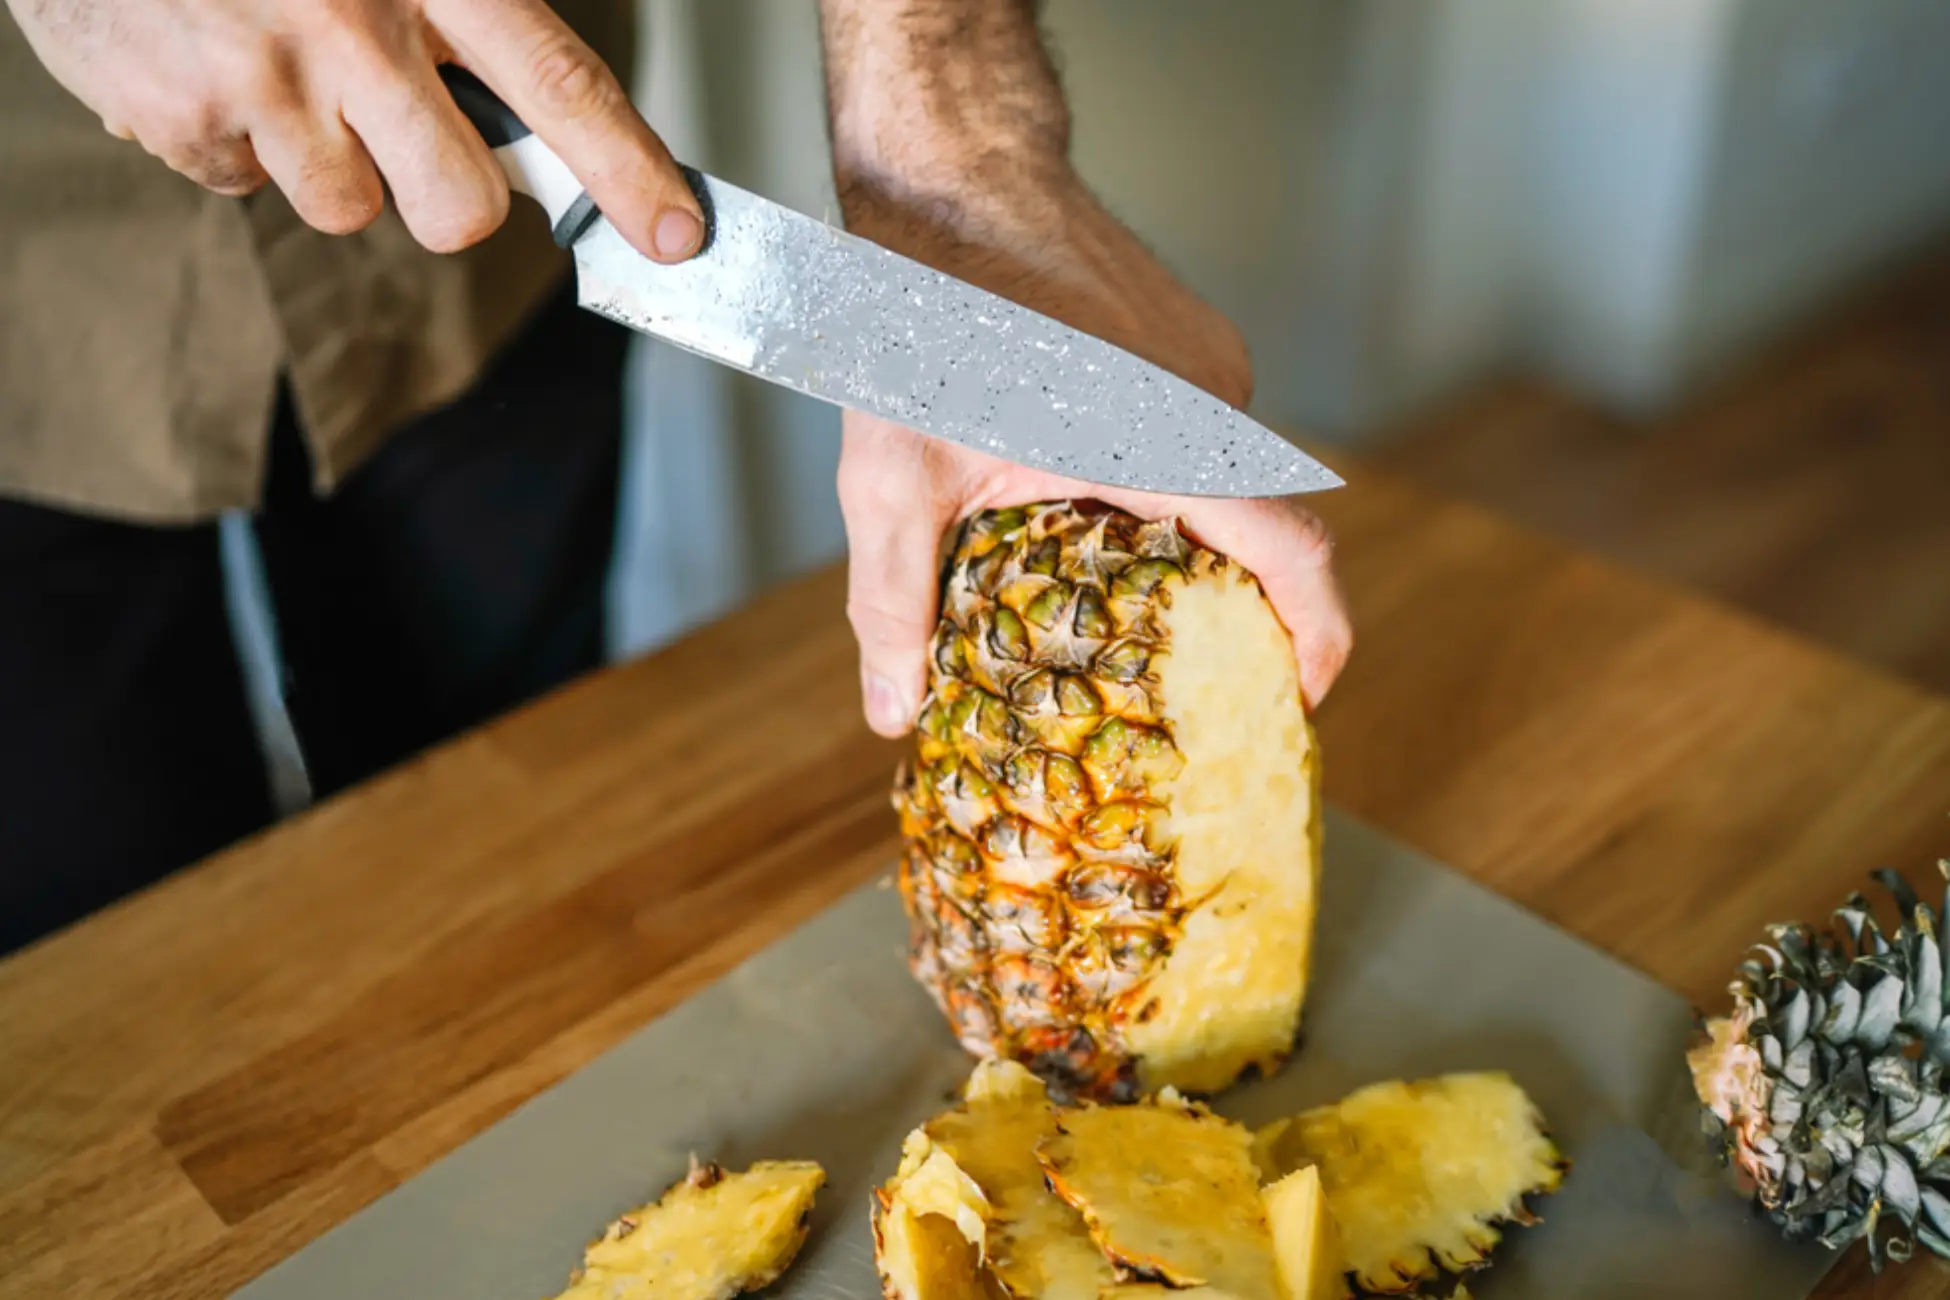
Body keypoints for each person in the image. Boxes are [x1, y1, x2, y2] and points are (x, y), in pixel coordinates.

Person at [0, 0, 1352, 953]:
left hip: (492, 199)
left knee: (503, 849)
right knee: (105, 938)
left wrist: (952, 147)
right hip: (28, 304)